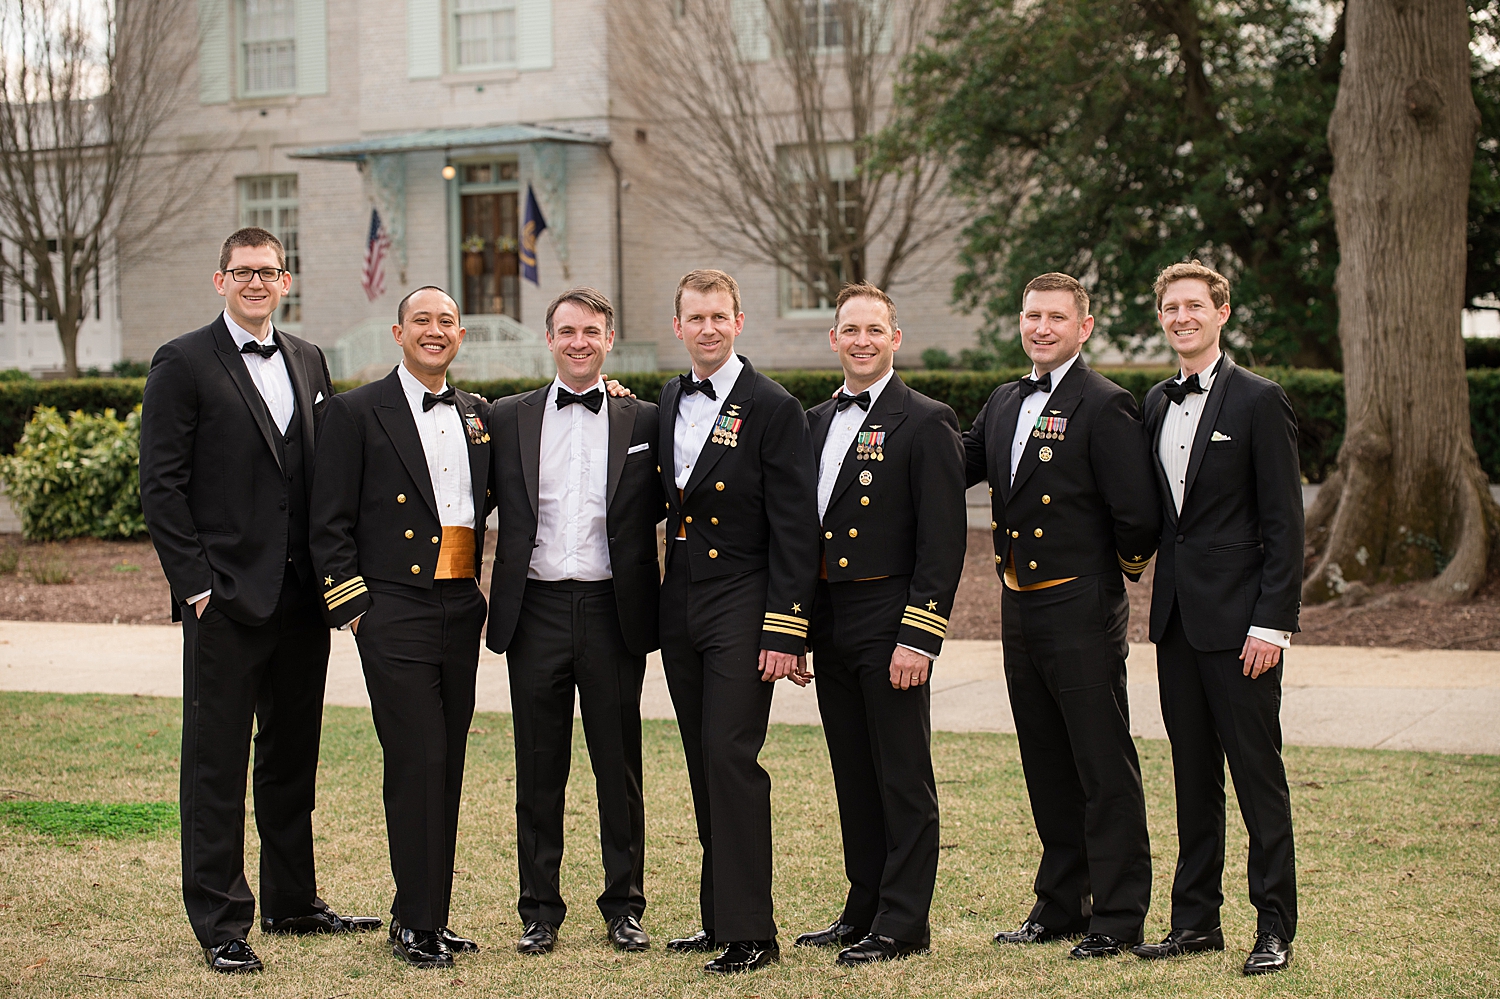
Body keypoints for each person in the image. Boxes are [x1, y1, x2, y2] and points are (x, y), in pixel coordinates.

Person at [140, 227, 380, 974]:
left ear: (286, 280)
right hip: (227, 602)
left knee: (290, 757)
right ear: (220, 281)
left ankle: (292, 900)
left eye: (268, 271)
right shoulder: (182, 362)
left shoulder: (309, 359)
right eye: (242, 271)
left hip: (303, 600)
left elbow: (327, 473)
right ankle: (220, 919)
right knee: (214, 766)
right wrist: (198, 588)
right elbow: (161, 486)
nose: (255, 282)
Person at [963, 272, 1160, 958]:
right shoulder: (1005, 399)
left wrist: (1111, 577)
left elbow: (1136, 514)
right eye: (1031, 315)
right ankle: (1061, 903)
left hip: (1080, 603)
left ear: (1084, 326)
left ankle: (1119, 912)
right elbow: (957, 461)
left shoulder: (1105, 404)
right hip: (1018, 603)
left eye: (1055, 317)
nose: (1041, 327)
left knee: (1102, 762)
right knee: (1045, 758)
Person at [309, 286, 493, 970]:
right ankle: (415, 921)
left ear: (461, 334)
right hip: (393, 606)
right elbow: (327, 519)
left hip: (460, 602)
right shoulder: (357, 412)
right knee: (416, 761)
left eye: (446, 320)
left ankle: (428, 917)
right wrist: (355, 606)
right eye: (423, 320)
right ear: (398, 331)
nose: (435, 330)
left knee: (446, 763)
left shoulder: (477, 412)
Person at [1132, 261, 1302, 976]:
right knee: (1193, 776)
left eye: (1194, 305)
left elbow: (1285, 524)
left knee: (1258, 778)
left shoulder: (1260, 401)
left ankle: (1274, 927)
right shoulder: (1152, 401)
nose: (1181, 317)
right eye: (1171, 307)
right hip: (1175, 622)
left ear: (1222, 311)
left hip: (1242, 629)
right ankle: (1195, 921)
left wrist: (1273, 623)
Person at [484, 288, 664, 956]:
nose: (579, 341)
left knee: (618, 766)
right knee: (538, 767)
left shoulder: (643, 418)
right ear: (549, 337)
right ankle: (539, 909)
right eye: (567, 331)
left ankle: (624, 905)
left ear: (609, 338)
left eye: (591, 331)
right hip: (533, 611)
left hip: (614, 609)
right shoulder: (506, 416)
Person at [794, 283, 966, 965]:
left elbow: (943, 540)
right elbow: (801, 535)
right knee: (854, 772)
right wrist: (797, 628)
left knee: (902, 773)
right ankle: (863, 903)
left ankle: (904, 921)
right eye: (849, 329)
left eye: (875, 328)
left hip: (890, 614)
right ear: (832, 339)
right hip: (832, 617)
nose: (862, 339)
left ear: (896, 338)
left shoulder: (927, 419)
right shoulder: (812, 421)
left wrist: (919, 633)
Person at [656, 269, 819, 974]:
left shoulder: (773, 404)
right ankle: (718, 916)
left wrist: (787, 627)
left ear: (740, 321)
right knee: (701, 759)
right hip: (682, 596)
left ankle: (754, 931)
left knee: (731, 756)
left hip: (745, 600)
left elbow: (797, 527)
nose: (708, 328)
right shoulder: (667, 398)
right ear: (679, 326)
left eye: (720, 316)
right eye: (696, 317)